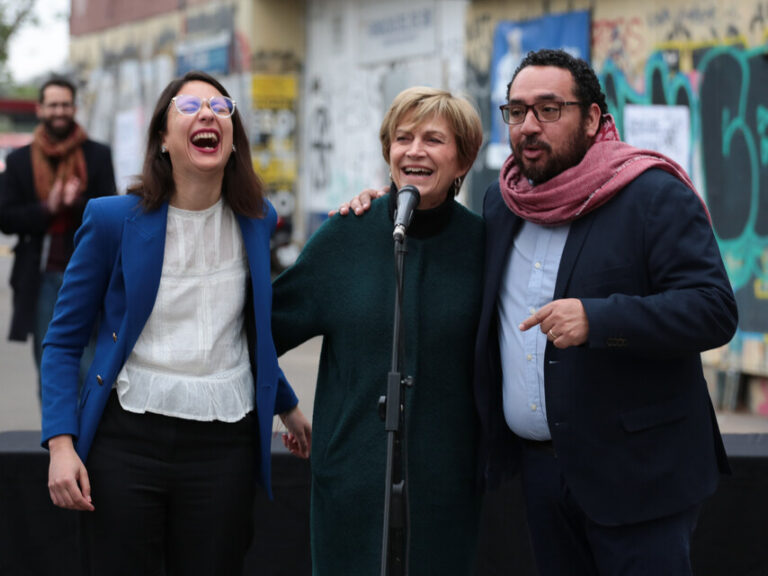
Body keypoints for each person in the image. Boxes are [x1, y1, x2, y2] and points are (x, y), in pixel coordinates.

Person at [343, 49, 738, 575]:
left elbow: (713, 309)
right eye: (517, 110)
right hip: (542, 476)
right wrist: (379, 205)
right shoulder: (502, 203)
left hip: (639, 477)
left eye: (550, 110)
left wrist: (599, 319)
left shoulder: (651, 195)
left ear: (593, 118)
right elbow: (435, 232)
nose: (529, 126)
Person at [40, 70, 311, 576]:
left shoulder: (258, 221)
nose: (208, 114)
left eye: (220, 107)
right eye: (188, 108)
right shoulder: (110, 220)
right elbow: (61, 343)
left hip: (224, 447)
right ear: (163, 139)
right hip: (127, 441)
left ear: (232, 141)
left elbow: (242, 332)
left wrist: (288, 407)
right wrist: (60, 445)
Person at [271, 86, 485, 575]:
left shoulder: (483, 246)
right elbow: (257, 332)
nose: (414, 150)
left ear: (464, 159)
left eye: (434, 139)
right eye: (402, 137)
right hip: (351, 487)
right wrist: (284, 403)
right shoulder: (346, 236)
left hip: (445, 492)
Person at [0, 75, 116, 400]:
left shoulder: (97, 155)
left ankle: (92, 441)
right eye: (53, 105)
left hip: (90, 275)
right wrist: (48, 207)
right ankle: (56, 443)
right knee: (51, 365)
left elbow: (111, 215)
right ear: (40, 109)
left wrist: (75, 203)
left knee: (92, 365)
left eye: (65, 104)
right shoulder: (19, 161)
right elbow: (6, 219)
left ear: (75, 108)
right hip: (41, 280)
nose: (60, 111)